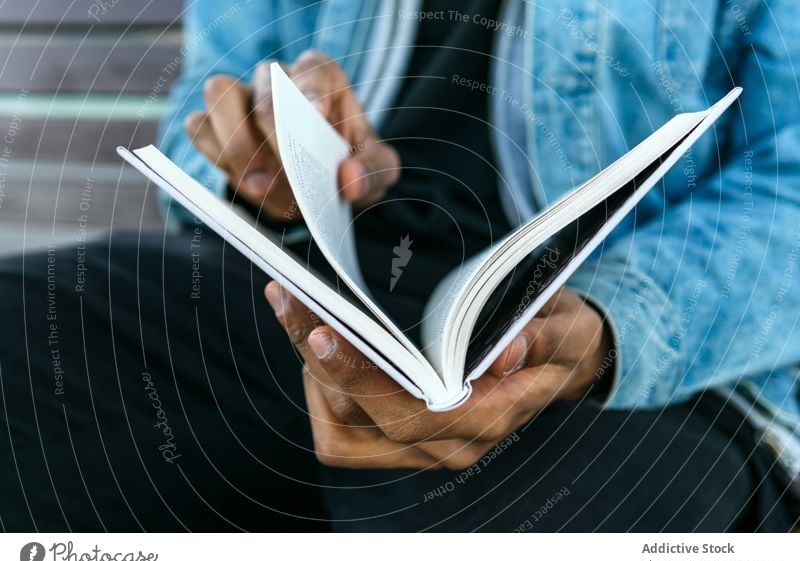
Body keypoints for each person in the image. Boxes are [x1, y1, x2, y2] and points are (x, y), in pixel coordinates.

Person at [0, 0, 798, 532]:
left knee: (518, 528)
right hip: (313, 294)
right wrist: (261, 157)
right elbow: (204, 109)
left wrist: (616, 317)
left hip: (636, 359)